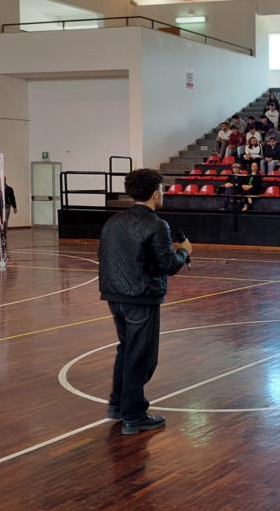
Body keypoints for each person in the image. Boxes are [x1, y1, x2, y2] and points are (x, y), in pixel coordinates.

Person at [98, 169, 190, 436]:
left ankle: (118, 405)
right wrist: (184, 251)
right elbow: (169, 265)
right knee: (142, 356)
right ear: (154, 192)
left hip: (114, 295)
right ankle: (134, 414)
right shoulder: (157, 224)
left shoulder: (113, 222)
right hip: (141, 297)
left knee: (126, 350)